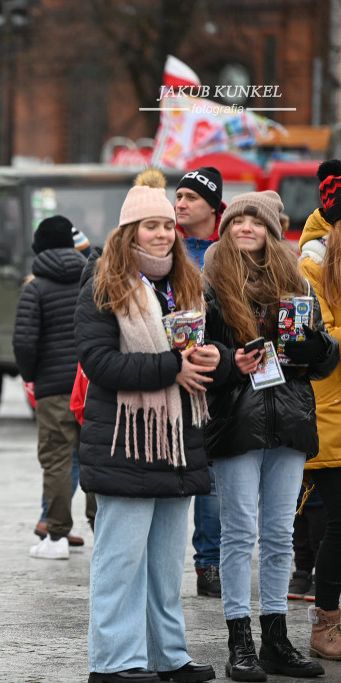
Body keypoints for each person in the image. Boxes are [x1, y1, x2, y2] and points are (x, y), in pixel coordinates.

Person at [75, 169, 218, 683]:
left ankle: (168, 656)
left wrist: (217, 360)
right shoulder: (103, 284)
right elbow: (99, 364)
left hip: (178, 440)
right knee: (121, 562)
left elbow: (213, 351)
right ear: (129, 232)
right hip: (125, 441)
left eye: (167, 225)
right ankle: (114, 662)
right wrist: (172, 367)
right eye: (150, 225)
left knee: (165, 564)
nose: (161, 233)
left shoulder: (188, 284)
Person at [203, 189, 338, 680]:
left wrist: (315, 348)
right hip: (237, 419)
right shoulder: (208, 283)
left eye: (257, 222)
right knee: (240, 532)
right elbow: (196, 351)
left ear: (271, 231)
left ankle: (276, 640)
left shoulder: (295, 280)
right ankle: (239, 641)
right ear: (227, 229)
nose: (247, 228)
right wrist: (231, 362)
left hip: (291, 417)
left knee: (280, 534)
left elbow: (325, 357)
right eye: (239, 220)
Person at [13, 215, 87, 560]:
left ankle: (56, 536)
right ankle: (105, 528)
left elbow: (24, 342)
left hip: (53, 389)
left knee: (57, 459)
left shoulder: (35, 288)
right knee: (96, 458)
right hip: (93, 384)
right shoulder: (93, 282)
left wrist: (31, 376)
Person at [174, 165, 226, 599]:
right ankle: (162, 561)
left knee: (211, 477)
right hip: (168, 376)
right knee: (170, 473)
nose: (180, 203)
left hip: (217, 379)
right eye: (178, 196)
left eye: (190, 197)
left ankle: (209, 564)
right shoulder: (166, 245)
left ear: (212, 206)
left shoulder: (229, 252)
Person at [296, 161, 341, 660]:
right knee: (338, 524)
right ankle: (325, 622)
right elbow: (319, 340)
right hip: (329, 412)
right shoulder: (312, 265)